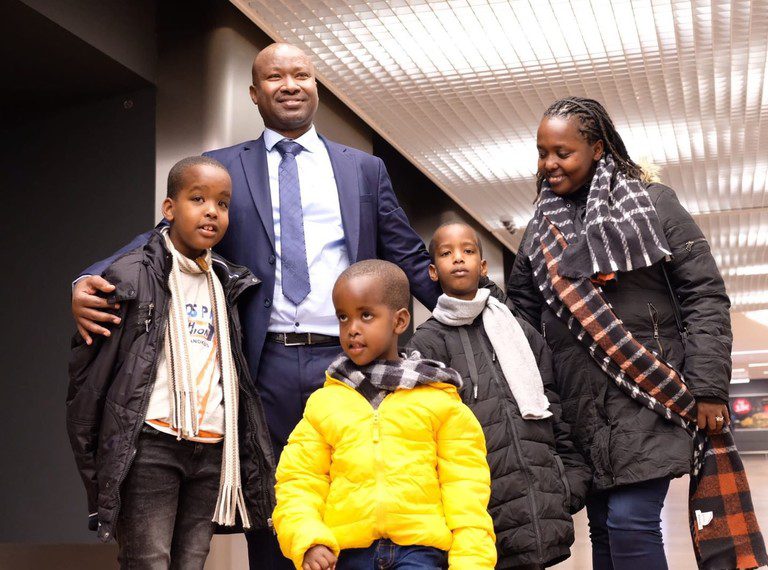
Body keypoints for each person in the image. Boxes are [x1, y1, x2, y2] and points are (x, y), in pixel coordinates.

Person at [69, 43, 438, 568]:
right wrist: (90, 276)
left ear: (316, 86)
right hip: (261, 367)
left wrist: (476, 309)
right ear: (254, 93)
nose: (289, 85)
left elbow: (406, 254)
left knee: (354, 491)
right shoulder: (222, 170)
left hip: (348, 362)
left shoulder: (364, 170)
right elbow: (162, 237)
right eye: (274, 77)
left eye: (301, 75)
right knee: (268, 499)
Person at [506, 97, 735, 569]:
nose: (549, 164)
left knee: (631, 522)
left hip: (649, 392)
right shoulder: (538, 234)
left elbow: (704, 296)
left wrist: (709, 387)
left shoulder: (653, 204)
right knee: (605, 531)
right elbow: (521, 322)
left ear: (596, 147)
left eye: (562, 152)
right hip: (578, 404)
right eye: (542, 152)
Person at [66, 157, 275, 569]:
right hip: (151, 445)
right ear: (169, 208)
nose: (212, 210)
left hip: (212, 448)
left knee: (191, 563)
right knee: (148, 562)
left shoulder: (229, 284)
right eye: (197, 198)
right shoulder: (131, 274)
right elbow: (89, 377)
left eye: (223, 203)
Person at [272, 259, 496, 570]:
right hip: (346, 555)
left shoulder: (440, 400)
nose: (352, 328)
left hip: (420, 554)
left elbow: (466, 488)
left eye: (366, 315)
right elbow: (299, 480)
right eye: (343, 317)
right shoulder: (326, 403)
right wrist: (307, 537)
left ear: (400, 321)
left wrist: (472, 561)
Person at [407, 221, 591, 569]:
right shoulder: (427, 344)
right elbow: (424, 440)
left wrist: (570, 482)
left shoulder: (518, 330)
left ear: (483, 266)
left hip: (539, 498)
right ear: (433, 271)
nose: (458, 259)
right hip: (477, 510)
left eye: (468, 251)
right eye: (446, 254)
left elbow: (553, 406)